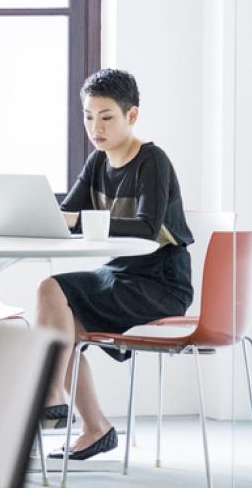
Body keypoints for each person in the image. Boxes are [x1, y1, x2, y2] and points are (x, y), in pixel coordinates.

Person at [38, 69, 195, 460]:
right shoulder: (97, 162)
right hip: (120, 273)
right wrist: (42, 218)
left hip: (161, 281)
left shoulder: (152, 161)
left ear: (132, 116)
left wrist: (75, 221)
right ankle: (96, 427)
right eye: (89, 116)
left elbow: (146, 228)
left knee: (52, 291)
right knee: (60, 313)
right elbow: (66, 215)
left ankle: (52, 395)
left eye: (106, 116)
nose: (96, 127)